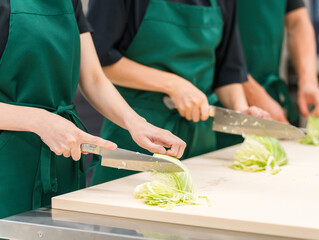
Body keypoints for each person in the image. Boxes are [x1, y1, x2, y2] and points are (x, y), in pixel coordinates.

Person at [0, 0, 185, 219]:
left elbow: (93, 79)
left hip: (61, 156)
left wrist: (136, 123)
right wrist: (39, 121)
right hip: (8, 162)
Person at [87, 0, 270, 185]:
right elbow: (98, 61)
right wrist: (173, 85)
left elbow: (227, 72)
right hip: (138, 135)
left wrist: (240, 110)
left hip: (201, 137)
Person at [216, 0, 319, 149]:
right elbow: (217, 46)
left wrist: (308, 82)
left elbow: (297, 21)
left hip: (268, 99)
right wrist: (254, 95)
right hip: (222, 100)